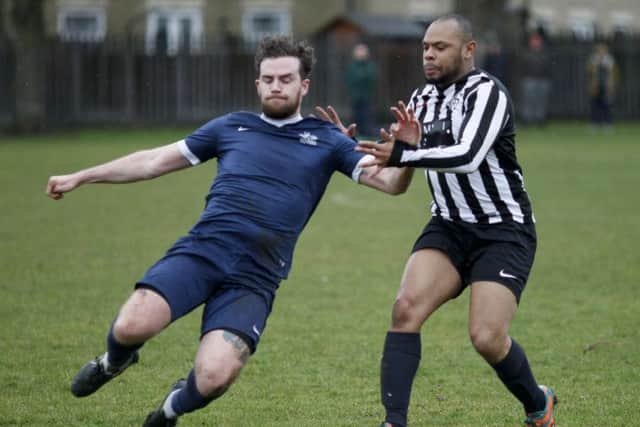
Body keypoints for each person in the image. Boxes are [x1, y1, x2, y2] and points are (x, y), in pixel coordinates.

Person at [45, 35, 413, 427]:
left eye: (286, 79)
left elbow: (391, 184)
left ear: (304, 85)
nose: (276, 85)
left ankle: (170, 410)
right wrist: (83, 176)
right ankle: (112, 363)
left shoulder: (329, 141)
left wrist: (405, 154)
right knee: (130, 324)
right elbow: (153, 160)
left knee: (214, 377)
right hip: (203, 252)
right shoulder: (231, 127)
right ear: (257, 83)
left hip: (256, 277)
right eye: (268, 78)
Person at [355, 15, 557, 427]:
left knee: (486, 338)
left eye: (440, 47)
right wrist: (346, 152)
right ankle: (394, 422)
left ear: (469, 50)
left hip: (503, 229)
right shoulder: (420, 100)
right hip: (448, 226)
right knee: (405, 309)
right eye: (426, 47)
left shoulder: (488, 94)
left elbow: (467, 156)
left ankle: (539, 403)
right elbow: (398, 180)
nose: (429, 54)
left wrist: (404, 153)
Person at [345, 42, 377, 137]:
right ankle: (355, 131)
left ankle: (366, 131)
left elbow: (371, 77)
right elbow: (350, 79)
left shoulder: (369, 66)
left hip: (366, 95)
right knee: (355, 115)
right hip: (355, 96)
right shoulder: (353, 66)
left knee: (366, 115)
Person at [518, 32, 551, 125]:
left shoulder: (544, 53)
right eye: (534, 41)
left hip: (542, 79)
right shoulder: (526, 53)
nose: (535, 43)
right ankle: (527, 119)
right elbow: (522, 66)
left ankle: (540, 119)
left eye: (537, 41)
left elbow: (547, 65)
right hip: (529, 78)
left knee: (541, 100)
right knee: (528, 100)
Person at [587, 43, 618, 130]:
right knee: (594, 104)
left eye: (603, 50)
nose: (601, 52)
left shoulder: (609, 60)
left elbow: (612, 74)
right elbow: (591, 73)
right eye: (600, 50)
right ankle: (594, 123)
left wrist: (611, 85)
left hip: (605, 84)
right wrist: (593, 84)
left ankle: (608, 123)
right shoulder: (593, 59)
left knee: (607, 104)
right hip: (596, 84)